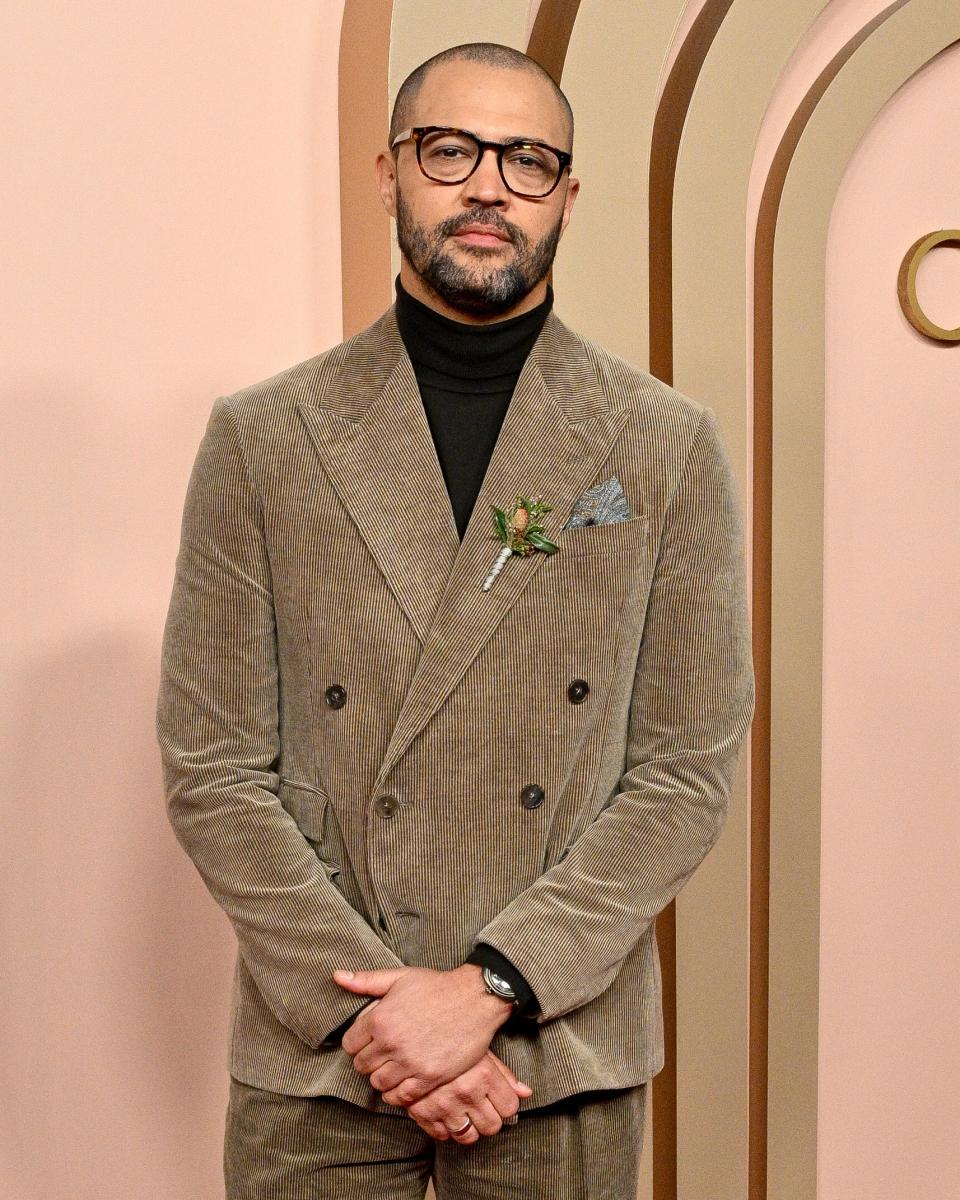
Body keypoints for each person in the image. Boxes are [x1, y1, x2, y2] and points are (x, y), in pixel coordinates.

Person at [155, 41, 755, 1200]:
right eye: (452, 150)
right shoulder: (265, 437)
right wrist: (386, 1022)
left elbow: (685, 770)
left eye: (528, 159)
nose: (489, 185)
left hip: (558, 1043)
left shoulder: (664, 444)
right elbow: (214, 766)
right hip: (323, 1047)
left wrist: (489, 990)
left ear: (567, 195)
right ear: (390, 173)